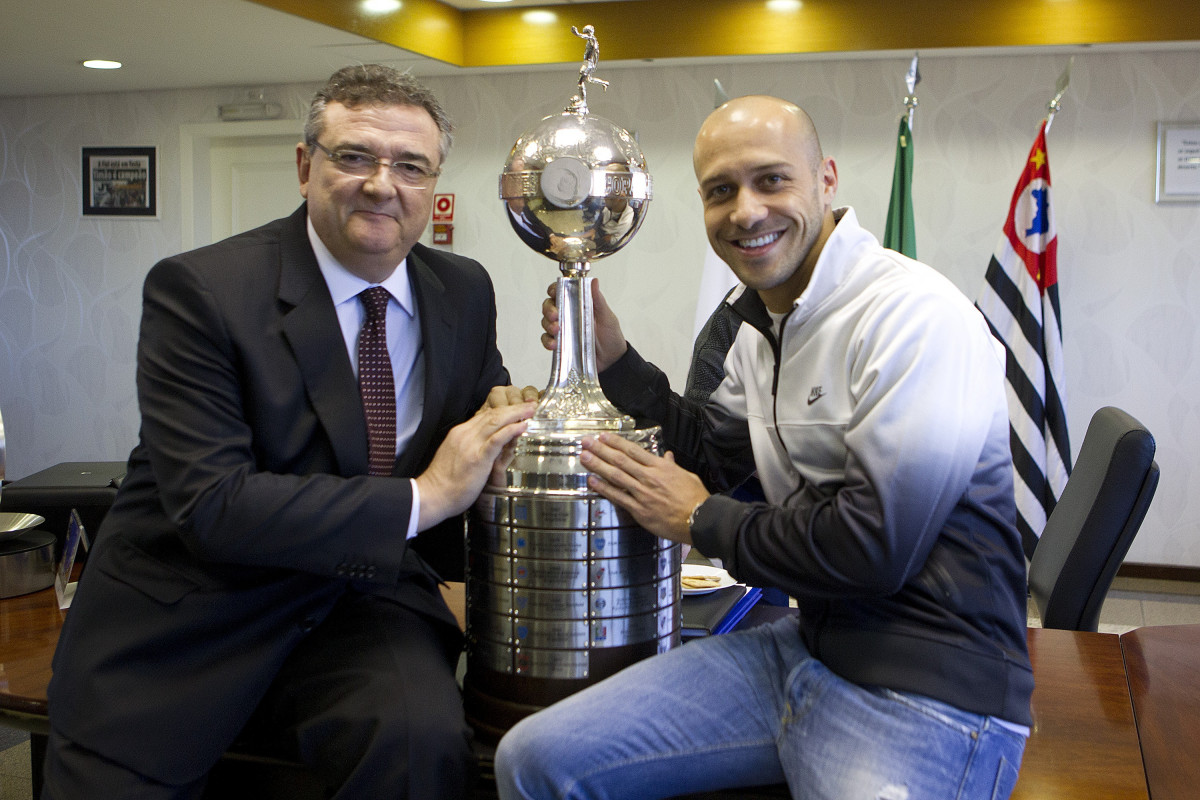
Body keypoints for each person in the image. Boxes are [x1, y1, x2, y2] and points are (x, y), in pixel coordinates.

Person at [493, 95, 1033, 800]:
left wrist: (698, 520)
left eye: (771, 180)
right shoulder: (764, 325)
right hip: (805, 649)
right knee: (534, 761)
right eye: (721, 191)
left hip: (929, 686)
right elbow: (719, 462)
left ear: (826, 178)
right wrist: (617, 360)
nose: (746, 211)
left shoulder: (913, 317)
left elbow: (877, 547)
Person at [42, 64, 536, 800]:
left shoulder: (462, 287)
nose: (381, 184)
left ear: (432, 183)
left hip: (363, 604)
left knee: (422, 744)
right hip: (196, 610)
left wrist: (511, 444)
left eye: (409, 165)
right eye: (354, 157)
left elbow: (475, 425)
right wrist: (425, 497)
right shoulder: (201, 291)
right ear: (306, 167)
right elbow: (213, 504)